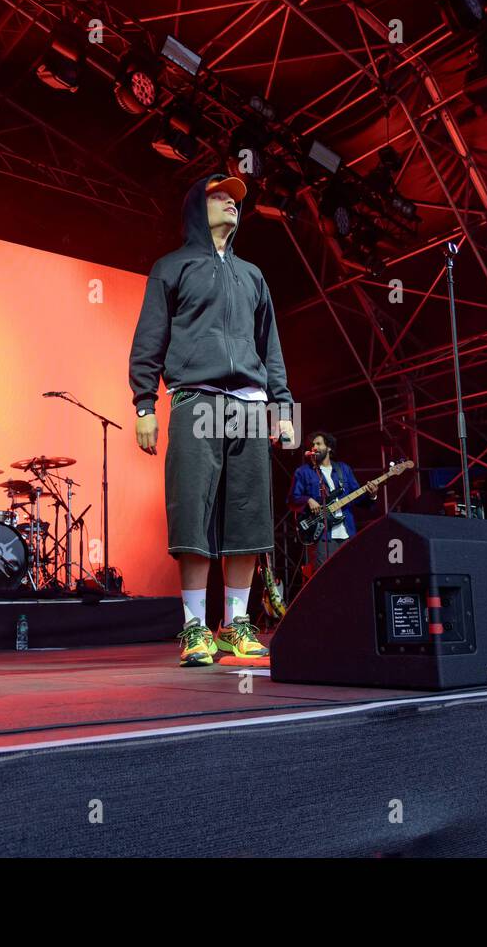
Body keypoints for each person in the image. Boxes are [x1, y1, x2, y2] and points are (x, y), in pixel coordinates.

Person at [128, 173, 295, 667]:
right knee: (194, 513)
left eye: (235, 198)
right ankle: (195, 628)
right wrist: (144, 404)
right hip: (195, 399)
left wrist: (282, 408)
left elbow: (272, 349)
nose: (231, 203)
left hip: (249, 403)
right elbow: (149, 339)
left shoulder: (253, 275)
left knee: (247, 514)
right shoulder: (171, 267)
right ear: (194, 209)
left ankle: (237, 624)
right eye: (219, 196)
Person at [288, 431, 378, 570]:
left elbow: (358, 498)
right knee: (324, 580)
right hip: (322, 537)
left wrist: (372, 495)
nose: (314, 447)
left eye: (318, 444)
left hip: (347, 534)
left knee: (352, 576)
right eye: (312, 445)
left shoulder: (343, 469)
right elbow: (292, 500)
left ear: (329, 448)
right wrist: (308, 500)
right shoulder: (303, 472)